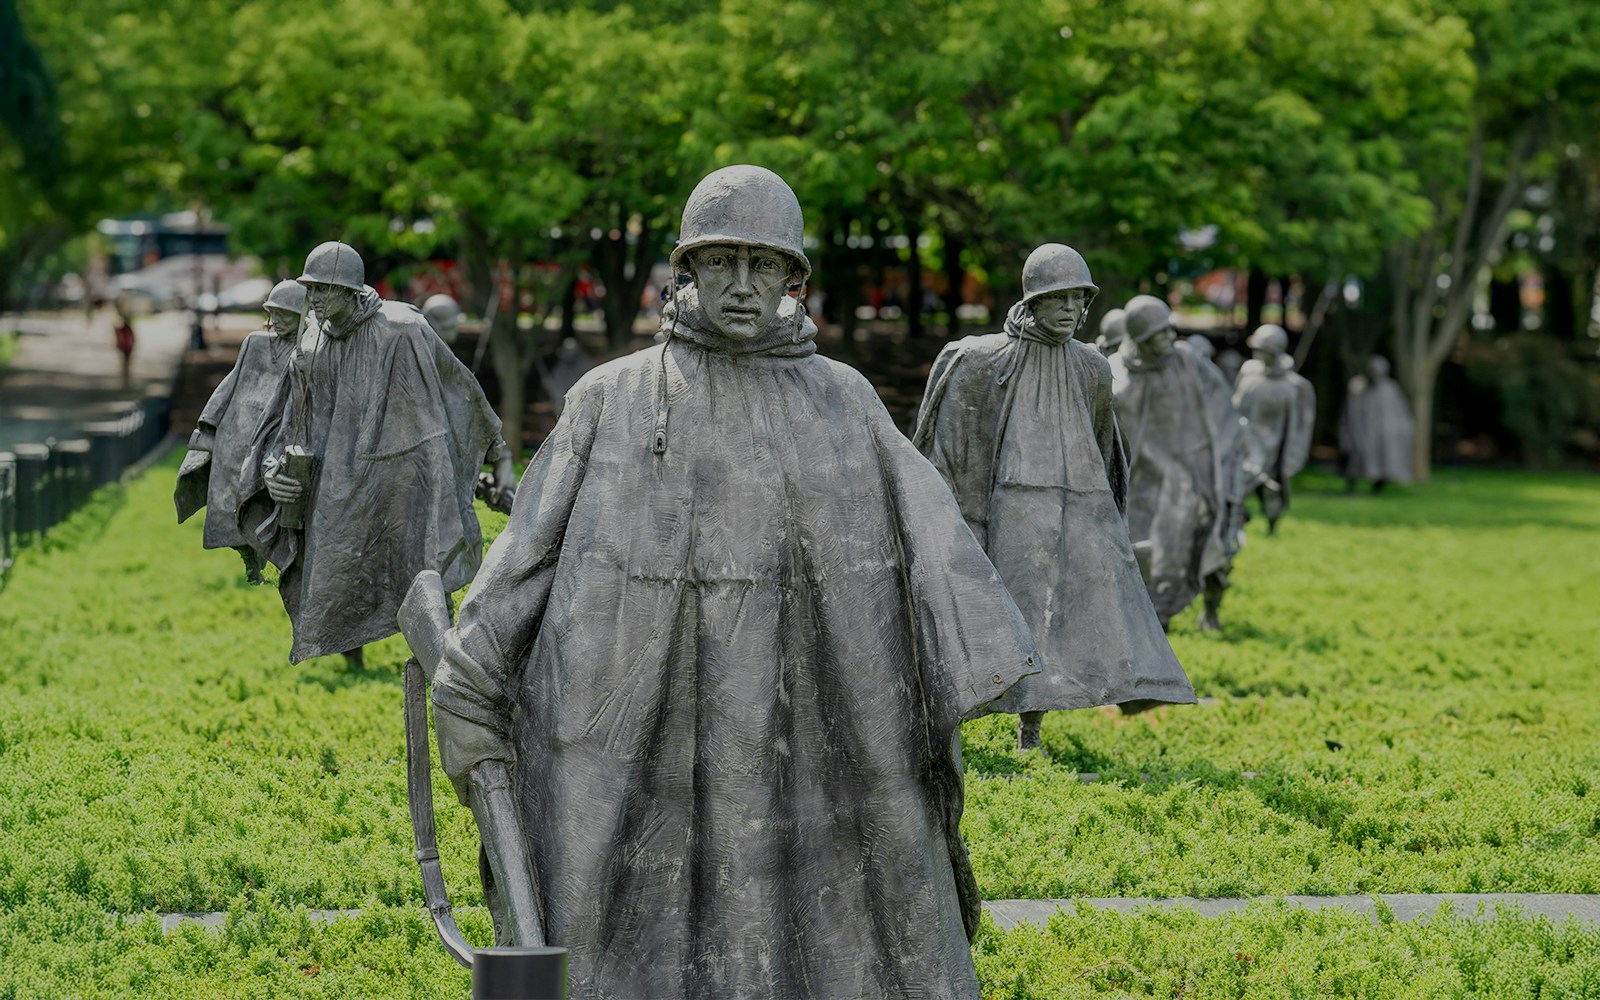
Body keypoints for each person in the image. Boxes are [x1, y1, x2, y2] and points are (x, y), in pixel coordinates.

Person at [426, 165, 1037, 998]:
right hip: (644, 727)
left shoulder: (843, 402)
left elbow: (937, 558)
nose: (742, 287)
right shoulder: (615, 398)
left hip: (815, 733)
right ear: (689, 270)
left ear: (794, 279)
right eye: (721, 263)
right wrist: (468, 683)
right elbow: (524, 558)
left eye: (764, 265)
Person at [914, 244, 1193, 751]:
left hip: (1080, 507)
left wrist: (1110, 520)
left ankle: (1033, 727)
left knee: (1066, 621)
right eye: (1056, 298)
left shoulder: (1092, 368)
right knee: (1000, 615)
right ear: (1033, 302)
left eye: (1076, 299)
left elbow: (1107, 447)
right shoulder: (985, 359)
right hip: (1014, 505)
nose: (1067, 309)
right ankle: (950, 716)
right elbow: (954, 444)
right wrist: (956, 519)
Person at [239, 242, 515, 664]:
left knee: (422, 570)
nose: (313, 299)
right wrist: (275, 467)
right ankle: (353, 662)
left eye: (324, 289)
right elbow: (290, 418)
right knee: (336, 570)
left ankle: (448, 666)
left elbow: (459, 387)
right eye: (310, 289)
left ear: (351, 290)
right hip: (339, 482)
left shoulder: (403, 327)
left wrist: (501, 457)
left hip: (410, 473)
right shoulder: (311, 343)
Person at [1109, 295, 1249, 632]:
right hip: (1142, 481)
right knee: (1144, 552)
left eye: (1169, 329)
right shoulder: (1117, 372)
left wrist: (1223, 462)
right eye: (1160, 333)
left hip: (1191, 474)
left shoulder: (1187, 361)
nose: (1170, 338)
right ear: (1141, 338)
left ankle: (1197, 611)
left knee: (1202, 546)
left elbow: (1222, 410)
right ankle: (1153, 617)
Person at [175, 280, 308, 583]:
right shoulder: (254, 343)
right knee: (227, 498)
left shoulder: (308, 351)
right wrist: (208, 426)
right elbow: (231, 383)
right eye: (274, 313)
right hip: (237, 427)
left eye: (286, 314)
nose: (278, 320)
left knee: (262, 495)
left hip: (273, 430)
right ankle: (246, 554)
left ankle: (268, 553)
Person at [1232, 324, 1315, 534]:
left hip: (1275, 445)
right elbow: (1235, 408)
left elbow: (1301, 422)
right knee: (1238, 482)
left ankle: (1272, 523)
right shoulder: (1248, 376)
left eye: (1263, 350)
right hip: (1248, 441)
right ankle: (1237, 518)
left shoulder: (1293, 385)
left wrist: (1292, 452)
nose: (1257, 354)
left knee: (1273, 489)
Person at [1339, 355, 1413, 492]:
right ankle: (1351, 487)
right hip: (1363, 433)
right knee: (1356, 461)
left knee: (1382, 461)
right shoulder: (1359, 387)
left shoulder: (1390, 389)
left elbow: (1399, 413)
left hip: (1382, 435)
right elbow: (1351, 411)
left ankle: (1377, 489)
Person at [113, 312, 136, 388]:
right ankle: (126, 378)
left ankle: (126, 378)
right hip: (127, 348)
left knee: (125, 364)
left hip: (126, 348)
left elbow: (119, 337)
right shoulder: (126, 329)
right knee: (126, 364)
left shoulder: (125, 329)